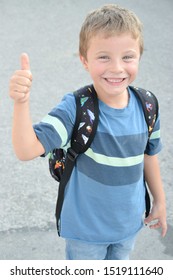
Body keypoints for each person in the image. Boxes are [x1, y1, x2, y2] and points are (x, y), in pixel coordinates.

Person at [9, 4, 167, 260]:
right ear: (84, 60)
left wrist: (159, 201)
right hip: (85, 233)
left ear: (139, 56)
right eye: (104, 57)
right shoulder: (76, 109)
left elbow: (148, 154)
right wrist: (21, 102)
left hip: (128, 227)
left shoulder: (147, 105)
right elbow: (26, 150)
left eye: (127, 57)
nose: (117, 68)